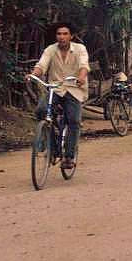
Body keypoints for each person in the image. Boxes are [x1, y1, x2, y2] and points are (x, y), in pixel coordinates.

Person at [27, 23, 89, 171]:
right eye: (59, 34)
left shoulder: (80, 49)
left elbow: (84, 66)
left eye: (65, 34)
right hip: (56, 87)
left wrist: (81, 77)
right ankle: (50, 143)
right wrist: (33, 74)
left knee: (73, 120)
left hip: (74, 88)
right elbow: (41, 65)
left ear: (71, 36)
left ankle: (68, 156)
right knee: (41, 110)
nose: (62, 37)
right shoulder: (51, 49)